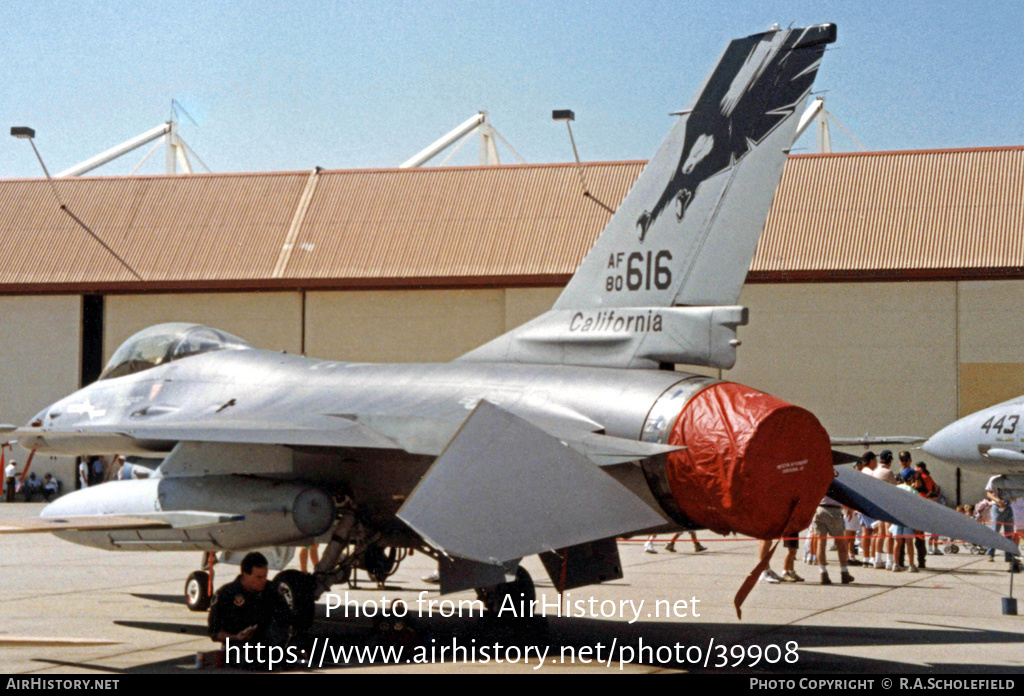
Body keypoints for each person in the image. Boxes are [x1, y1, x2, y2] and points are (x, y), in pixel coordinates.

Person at [208, 552, 292, 651]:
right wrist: (236, 637)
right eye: (259, 577)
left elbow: (287, 620)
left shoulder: (272, 590)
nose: (264, 580)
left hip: (268, 645)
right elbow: (215, 632)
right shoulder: (226, 594)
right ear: (245, 575)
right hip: (239, 646)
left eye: (265, 576)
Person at [812, 494, 854, 584]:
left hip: (820, 509)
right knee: (840, 544)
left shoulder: (820, 481)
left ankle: (823, 572)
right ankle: (844, 572)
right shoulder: (836, 482)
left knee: (821, 543)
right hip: (834, 510)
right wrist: (849, 508)